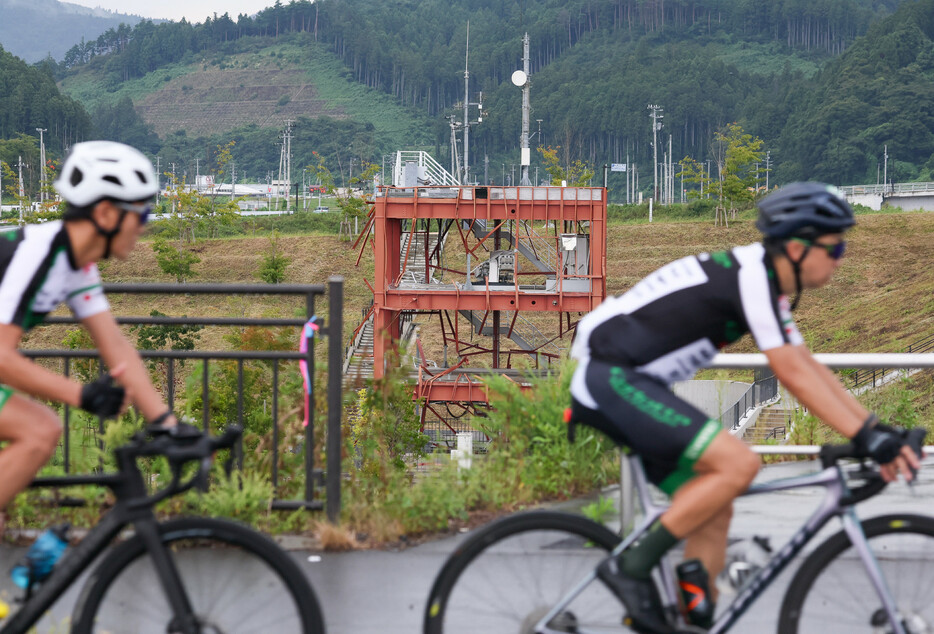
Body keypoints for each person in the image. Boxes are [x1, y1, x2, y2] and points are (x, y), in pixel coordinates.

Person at [568, 182, 921, 633]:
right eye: (835, 249)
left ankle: (695, 623)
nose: (841, 258)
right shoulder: (752, 277)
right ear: (797, 247)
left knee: (716, 508)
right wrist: (868, 437)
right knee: (738, 464)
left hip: (628, 376)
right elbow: (792, 372)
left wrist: (872, 428)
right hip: (609, 375)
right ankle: (630, 567)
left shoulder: (765, 282)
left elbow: (807, 366)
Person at [0, 140, 179, 535]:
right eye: (141, 213)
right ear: (105, 212)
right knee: (39, 430)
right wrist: (81, 395)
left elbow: (115, 348)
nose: (145, 224)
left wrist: (167, 424)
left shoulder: (78, 266)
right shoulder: (39, 255)